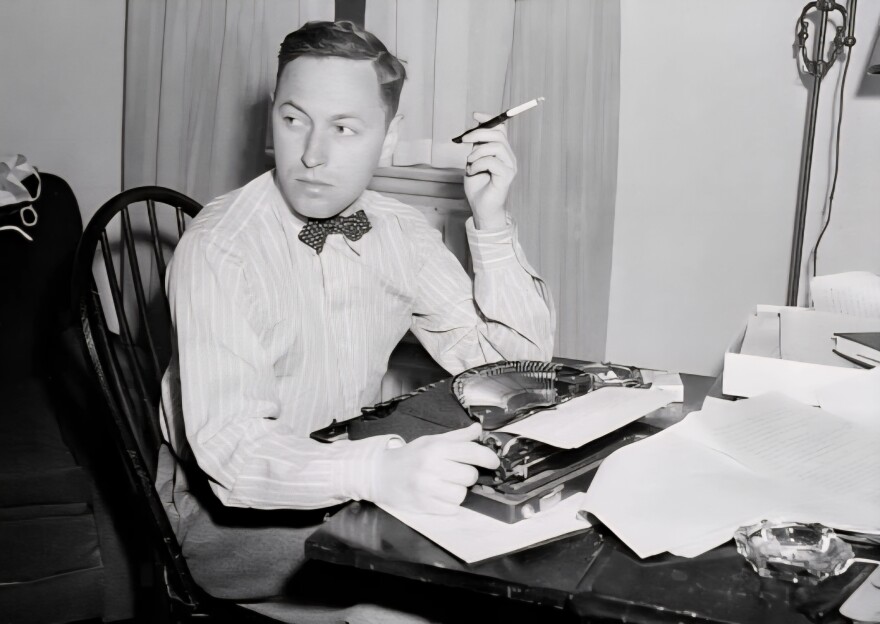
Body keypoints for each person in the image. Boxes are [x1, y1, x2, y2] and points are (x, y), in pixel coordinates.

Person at [156, 20, 555, 614]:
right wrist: (379, 471)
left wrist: (491, 224)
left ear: (389, 138)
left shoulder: (399, 231)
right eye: (294, 121)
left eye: (344, 129)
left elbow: (511, 372)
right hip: (230, 519)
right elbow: (233, 455)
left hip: (349, 477)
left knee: (529, 539)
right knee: (468, 580)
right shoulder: (219, 248)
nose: (311, 155)